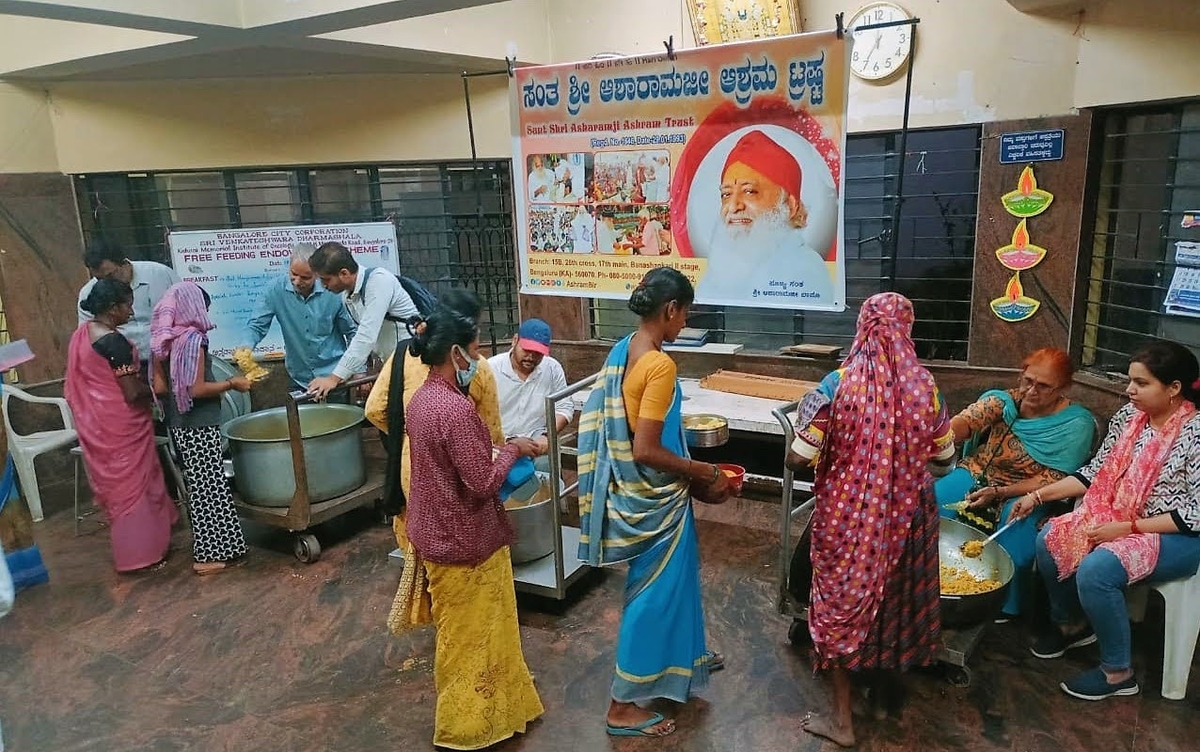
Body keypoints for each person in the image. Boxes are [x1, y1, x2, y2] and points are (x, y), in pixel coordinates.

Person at [785, 293, 955, 747]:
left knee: (841, 606)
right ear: (908, 330)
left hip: (850, 517)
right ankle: (880, 688)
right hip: (909, 518)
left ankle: (842, 721)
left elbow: (798, 457)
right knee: (891, 601)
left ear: (861, 328)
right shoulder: (926, 386)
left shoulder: (837, 384)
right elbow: (945, 462)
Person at [577, 266, 732, 738]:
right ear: (670, 310)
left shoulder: (627, 348)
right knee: (654, 596)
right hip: (656, 501)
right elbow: (645, 448)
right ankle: (622, 706)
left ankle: (682, 663)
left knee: (676, 584)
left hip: (643, 492)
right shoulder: (660, 366)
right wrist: (706, 471)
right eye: (685, 314)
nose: (685, 323)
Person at [1016, 340, 1200, 701]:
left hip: (1178, 535)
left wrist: (1128, 529)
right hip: (1119, 516)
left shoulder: (1196, 434)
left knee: (1098, 569)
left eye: (1142, 383)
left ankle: (1118, 672)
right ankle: (1072, 624)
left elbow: (1195, 513)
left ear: (1174, 388)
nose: (1129, 390)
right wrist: (1036, 496)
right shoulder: (1130, 420)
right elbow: (1094, 473)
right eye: (1129, 380)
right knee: (1050, 538)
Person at [398, 304, 544, 749]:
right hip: (467, 542)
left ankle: (505, 709)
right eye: (476, 352)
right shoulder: (455, 411)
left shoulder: (421, 400)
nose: (479, 362)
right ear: (456, 353)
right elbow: (481, 483)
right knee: (474, 640)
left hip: (434, 532)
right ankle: (465, 727)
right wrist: (514, 450)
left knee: (465, 634)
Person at [935, 348, 1096, 620]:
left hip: (1034, 491)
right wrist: (943, 435)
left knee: (1015, 549)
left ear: (1064, 388)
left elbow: (1056, 477)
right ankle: (931, 583)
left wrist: (1001, 493)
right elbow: (968, 420)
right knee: (927, 507)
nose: (1032, 391)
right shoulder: (1003, 401)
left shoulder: (1076, 424)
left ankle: (1001, 606)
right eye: (1028, 381)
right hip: (979, 473)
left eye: (1044, 386)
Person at [365, 289, 504, 551]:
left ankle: (420, 588)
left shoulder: (405, 352)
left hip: (410, 469)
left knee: (417, 546)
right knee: (453, 548)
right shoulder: (475, 365)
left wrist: (409, 436)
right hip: (455, 478)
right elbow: (491, 432)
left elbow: (374, 409)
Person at [65, 279, 177, 572]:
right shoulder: (114, 343)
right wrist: (158, 390)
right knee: (135, 488)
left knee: (121, 491)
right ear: (113, 308)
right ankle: (144, 553)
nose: (131, 310)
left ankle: (133, 550)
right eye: (127, 304)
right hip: (122, 425)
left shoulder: (84, 333)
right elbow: (130, 392)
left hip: (98, 425)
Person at [151, 282, 250, 575]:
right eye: (204, 307)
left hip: (179, 424)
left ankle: (228, 547)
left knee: (208, 485)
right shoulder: (194, 340)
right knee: (208, 489)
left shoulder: (162, 340)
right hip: (199, 423)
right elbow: (196, 389)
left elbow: (159, 386)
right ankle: (206, 558)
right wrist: (233, 383)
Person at [697, 129, 834, 304]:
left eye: (749, 191)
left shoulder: (804, 270)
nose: (733, 206)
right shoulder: (723, 267)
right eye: (726, 194)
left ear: (790, 206)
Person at [235, 243, 357, 390]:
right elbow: (256, 326)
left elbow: (352, 332)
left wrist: (358, 371)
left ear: (317, 274)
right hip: (298, 377)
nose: (297, 282)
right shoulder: (274, 290)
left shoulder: (334, 292)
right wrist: (245, 346)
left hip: (333, 375)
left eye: (305, 277)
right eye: (293, 274)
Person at [306, 242, 419, 400]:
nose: (323, 286)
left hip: (415, 360)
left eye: (326, 280)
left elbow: (366, 335)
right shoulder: (347, 296)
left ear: (344, 273)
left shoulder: (379, 281)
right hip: (393, 363)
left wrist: (334, 378)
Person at [77, 238, 181, 381]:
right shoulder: (89, 293)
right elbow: (88, 339)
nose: (106, 283)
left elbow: (187, 311)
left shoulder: (160, 274)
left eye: (110, 276)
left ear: (123, 263)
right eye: (99, 279)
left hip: (172, 359)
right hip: (126, 369)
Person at [488, 318, 573, 454]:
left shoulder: (552, 368)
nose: (531, 357)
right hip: (499, 445)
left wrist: (547, 436)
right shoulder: (490, 369)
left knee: (547, 471)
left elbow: (564, 407)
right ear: (515, 340)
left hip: (537, 441)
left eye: (538, 353)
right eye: (526, 350)